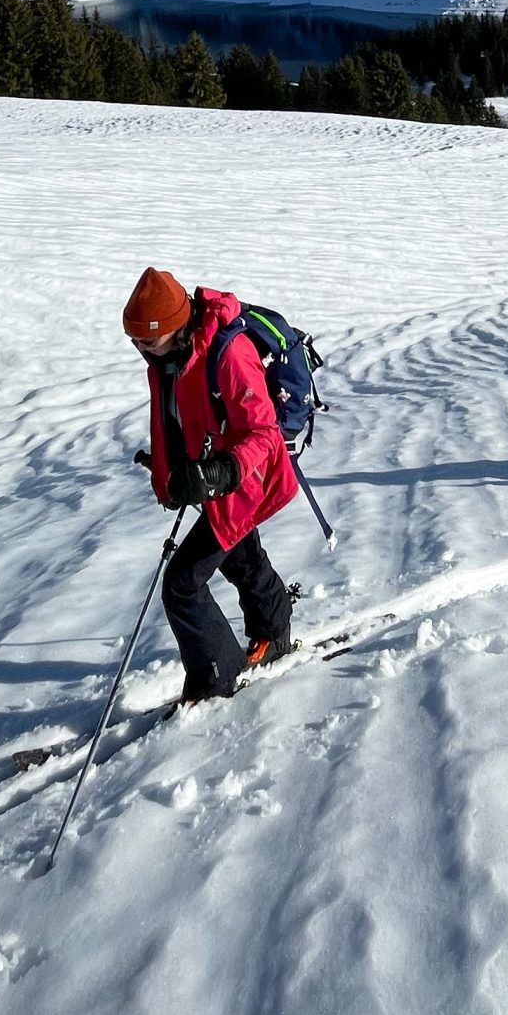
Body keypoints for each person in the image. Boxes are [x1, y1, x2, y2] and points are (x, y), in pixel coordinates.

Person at [123, 267, 300, 701]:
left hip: (245, 479)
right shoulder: (170, 355)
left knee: (182, 583)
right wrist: (168, 472)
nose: (141, 349)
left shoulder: (229, 353)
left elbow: (264, 433)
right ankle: (273, 635)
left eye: (147, 340)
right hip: (216, 480)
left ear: (175, 325)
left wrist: (221, 471)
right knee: (241, 556)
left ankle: (216, 680)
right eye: (135, 341)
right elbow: (181, 419)